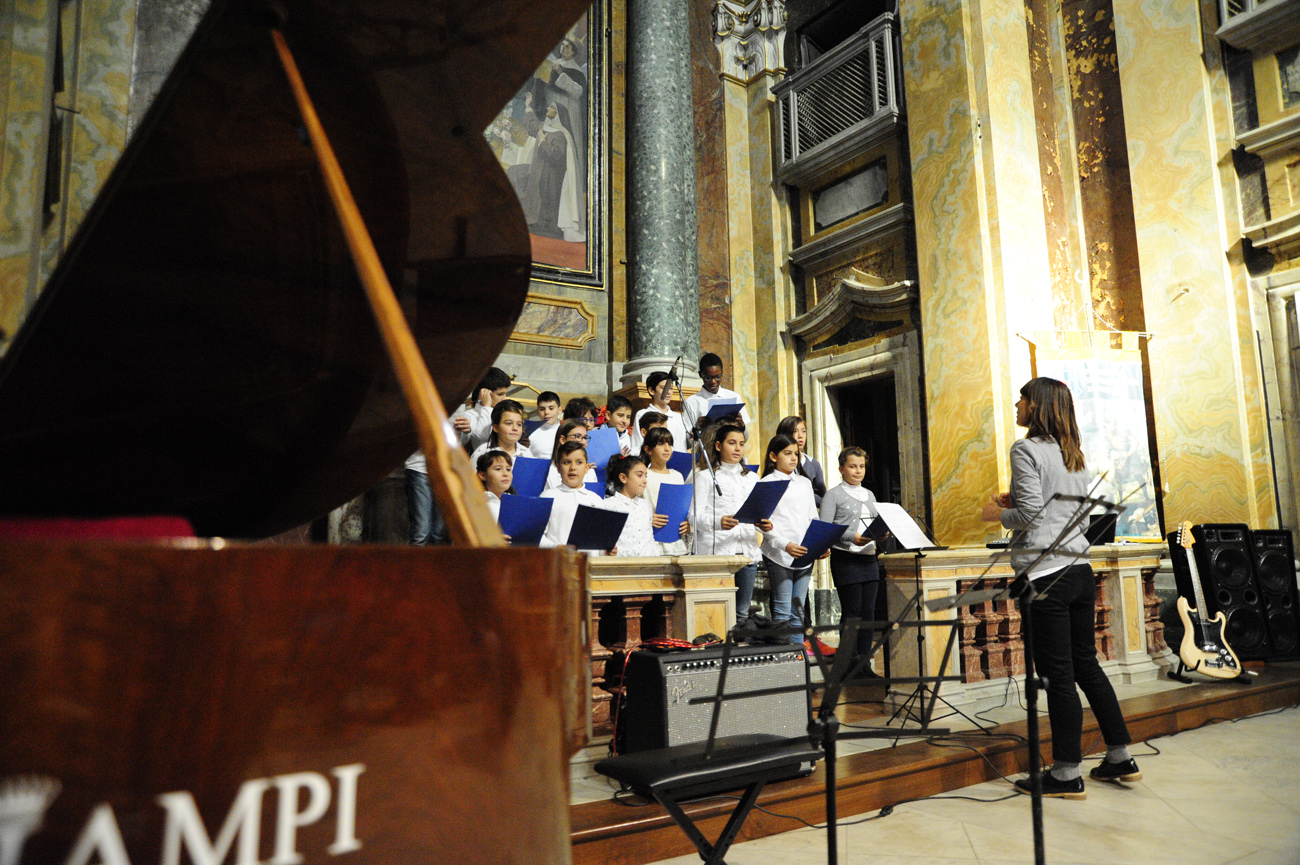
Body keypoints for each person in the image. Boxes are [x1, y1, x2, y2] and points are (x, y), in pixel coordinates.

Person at [980, 377, 1138, 800]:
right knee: (1087, 665)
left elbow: (1032, 514)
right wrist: (1018, 503)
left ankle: (1066, 773)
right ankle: (1120, 755)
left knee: (1058, 676)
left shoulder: (1025, 449)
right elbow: (1071, 516)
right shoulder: (1073, 453)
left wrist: (998, 514)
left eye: (1022, 399)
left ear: (1037, 405)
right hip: (1079, 570)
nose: (1017, 404)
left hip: (1046, 575)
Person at [693, 423, 771, 628]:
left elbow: (758, 514)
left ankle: (739, 647)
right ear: (718, 446)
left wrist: (763, 524)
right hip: (718, 552)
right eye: (732, 443)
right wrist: (718, 522)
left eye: (741, 444)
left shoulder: (752, 478)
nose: (737, 448)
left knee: (741, 613)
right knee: (715, 612)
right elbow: (693, 516)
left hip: (747, 551)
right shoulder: (705, 477)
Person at [820, 447, 882, 675]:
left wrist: (881, 534)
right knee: (852, 613)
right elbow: (825, 529)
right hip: (846, 559)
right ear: (841, 469)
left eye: (862, 466)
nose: (858, 471)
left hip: (869, 559)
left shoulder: (870, 494)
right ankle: (849, 664)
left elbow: (874, 523)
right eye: (852, 466)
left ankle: (865, 664)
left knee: (868, 613)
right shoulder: (833, 495)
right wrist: (850, 536)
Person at [759, 434, 820, 646]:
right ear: (773, 456)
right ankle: (783, 656)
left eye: (796, 454)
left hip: (804, 552)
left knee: (798, 610)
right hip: (779, 553)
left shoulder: (804, 482)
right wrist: (785, 545)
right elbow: (762, 523)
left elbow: (813, 517)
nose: (793, 458)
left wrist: (819, 543)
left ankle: (798, 655)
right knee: (783, 609)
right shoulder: (766, 483)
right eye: (787, 453)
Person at [541, 441, 607, 552]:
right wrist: (556, 547)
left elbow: (601, 538)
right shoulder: (547, 497)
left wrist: (607, 551)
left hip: (590, 561)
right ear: (558, 467)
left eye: (579, 462)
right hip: (559, 560)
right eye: (566, 462)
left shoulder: (596, 500)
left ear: (587, 467)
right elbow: (537, 536)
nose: (573, 467)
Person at [640, 426, 690, 555]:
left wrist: (687, 524)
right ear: (648, 449)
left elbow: (682, 507)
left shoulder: (677, 476)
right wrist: (647, 518)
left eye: (670, 444)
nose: (667, 448)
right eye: (661, 444)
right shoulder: (643, 475)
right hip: (652, 540)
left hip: (676, 541)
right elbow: (634, 505)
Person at [601, 455, 660, 557]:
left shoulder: (646, 505)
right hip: (622, 563)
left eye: (645, 476)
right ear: (623, 478)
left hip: (648, 563)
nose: (645, 480)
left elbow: (649, 539)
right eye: (639, 475)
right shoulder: (607, 505)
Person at [682, 352, 751, 434]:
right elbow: (686, 438)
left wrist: (742, 426)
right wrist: (697, 427)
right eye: (708, 378)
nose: (713, 381)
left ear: (722, 373)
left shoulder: (734, 397)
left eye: (718, 377)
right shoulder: (692, 402)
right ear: (700, 375)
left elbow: (746, 437)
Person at [631, 372, 689, 452]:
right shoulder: (642, 414)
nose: (668, 392)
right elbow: (637, 445)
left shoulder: (678, 417)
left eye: (671, 388)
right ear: (651, 391)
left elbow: (683, 446)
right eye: (663, 388)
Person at [776, 415, 826, 504]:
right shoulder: (779, 461)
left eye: (803, 431)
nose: (800, 436)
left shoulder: (813, 463)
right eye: (795, 431)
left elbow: (823, 496)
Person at [468, 400, 529, 465]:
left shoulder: (526, 453)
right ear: (495, 427)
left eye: (519, 424)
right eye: (508, 423)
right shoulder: (483, 453)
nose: (515, 428)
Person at [544, 419, 596, 491]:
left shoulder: (590, 472)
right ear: (562, 439)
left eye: (585, 437)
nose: (583, 442)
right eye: (577, 436)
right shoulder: (547, 472)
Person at [476, 450, 514, 523]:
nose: (505, 474)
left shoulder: (513, 502)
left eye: (508, 469)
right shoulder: (479, 505)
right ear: (483, 475)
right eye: (498, 469)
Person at [529, 391, 563, 459]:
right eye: (542, 409)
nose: (546, 412)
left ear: (559, 410)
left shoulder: (566, 431)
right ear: (538, 411)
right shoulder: (531, 432)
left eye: (551, 408)